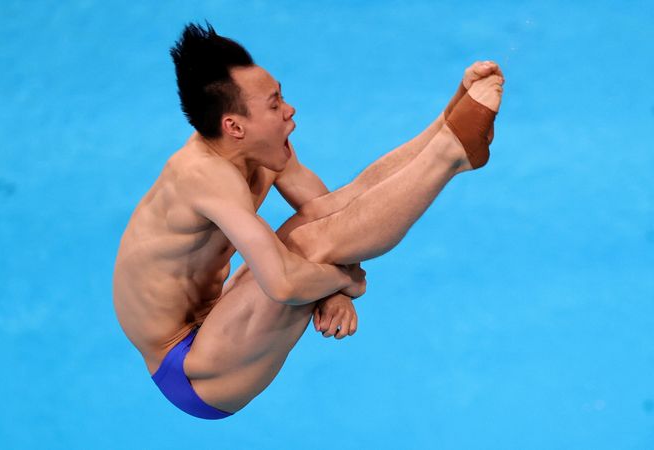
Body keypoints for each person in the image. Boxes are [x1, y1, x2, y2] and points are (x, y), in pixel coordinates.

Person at [112, 22, 504, 420]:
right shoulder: (204, 177)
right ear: (234, 126)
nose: (289, 109)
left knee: (319, 220)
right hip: (191, 368)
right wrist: (342, 281)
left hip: (218, 321)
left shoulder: (258, 150)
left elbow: (335, 210)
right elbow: (284, 283)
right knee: (305, 247)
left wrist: (333, 292)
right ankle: (450, 154)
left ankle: (446, 124)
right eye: (274, 103)